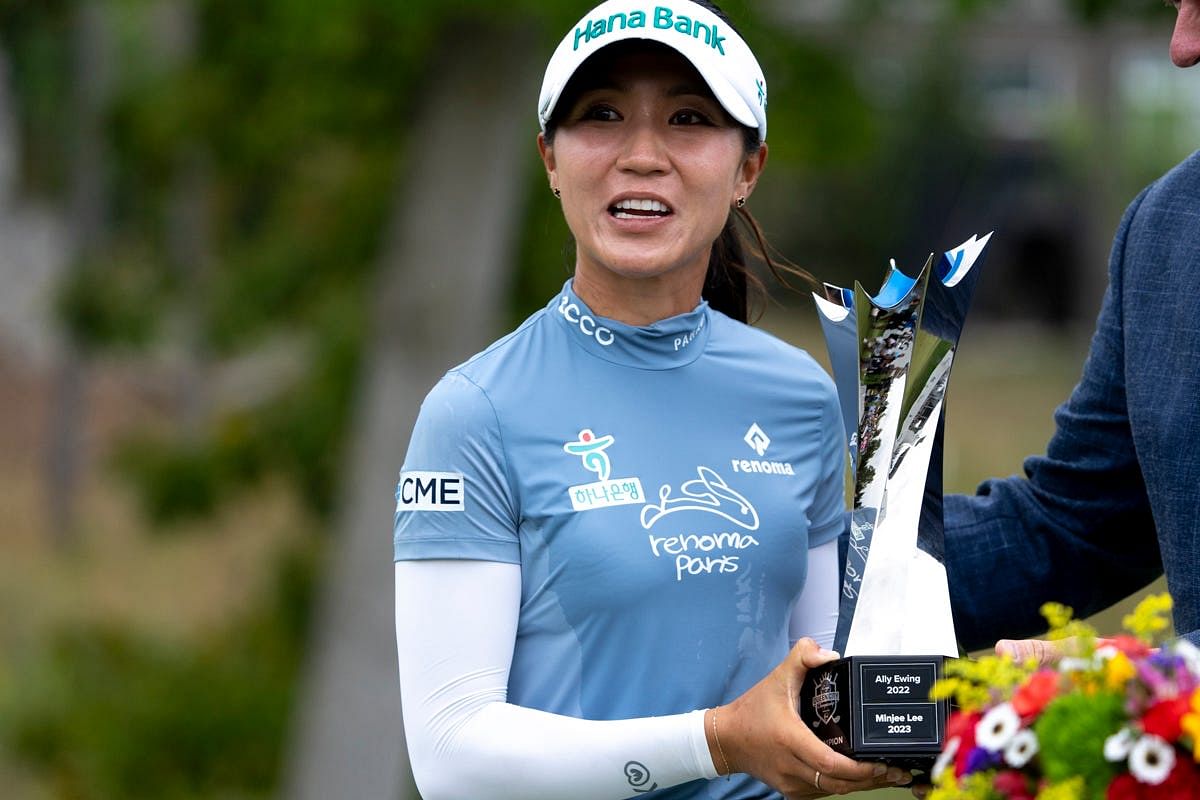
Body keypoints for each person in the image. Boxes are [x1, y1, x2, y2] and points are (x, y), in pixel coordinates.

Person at [392, 1, 915, 797]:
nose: (642, 155)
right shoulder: (474, 412)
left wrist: (979, 700)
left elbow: (823, 692)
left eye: (688, 118)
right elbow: (450, 756)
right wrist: (718, 743)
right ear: (550, 159)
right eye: (601, 115)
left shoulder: (802, 396)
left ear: (748, 169)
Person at [942, 0, 1200, 660]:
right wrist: (802, 570)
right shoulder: (1168, 226)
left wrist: (1150, 673)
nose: (1183, 46)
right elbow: (1074, 524)